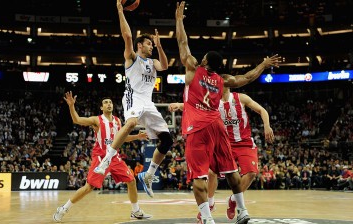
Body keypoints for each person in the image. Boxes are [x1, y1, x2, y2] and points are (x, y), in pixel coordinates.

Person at [174, 2, 280, 223]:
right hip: (217, 125)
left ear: (204, 61)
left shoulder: (193, 69)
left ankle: (208, 218)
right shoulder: (223, 81)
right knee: (231, 171)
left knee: (199, 176)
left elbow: (182, 42)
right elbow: (248, 78)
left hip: (198, 127)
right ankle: (242, 211)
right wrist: (263, 64)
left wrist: (179, 19)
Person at [93, 0, 173, 199]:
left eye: (152, 44)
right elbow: (127, 35)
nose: (151, 46)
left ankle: (148, 174)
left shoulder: (153, 62)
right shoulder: (132, 58)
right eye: (149, 44)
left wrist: (160, 46)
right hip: (133, 98)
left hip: (148, 101)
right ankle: (106, 160)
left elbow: (164, 66)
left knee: (167, 140)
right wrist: (121, 11)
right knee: (131, 123)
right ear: (140, 45)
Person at [169, 88, 274, 221]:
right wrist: (179, 105)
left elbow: (262, 110)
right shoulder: (212, 101)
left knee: (252, 173)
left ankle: (233, 199)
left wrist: (267, 125)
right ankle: (211, 203)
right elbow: (195, 105)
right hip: (223, 142)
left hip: (244, 142)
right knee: (211, 173)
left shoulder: (241, 98)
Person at [53, 91, 151, 223]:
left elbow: (121, 138)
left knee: (131, 181)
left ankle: (135, 211)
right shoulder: (96, 120)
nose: (109, 104)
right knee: (89, 187)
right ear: (101, 107)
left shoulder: (117, 121)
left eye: (110, 102)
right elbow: (77, 120)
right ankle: (63, 209)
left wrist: (137, 136)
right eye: (105, 103)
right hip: (101, 157)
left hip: (114, 157)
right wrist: (71, 106)